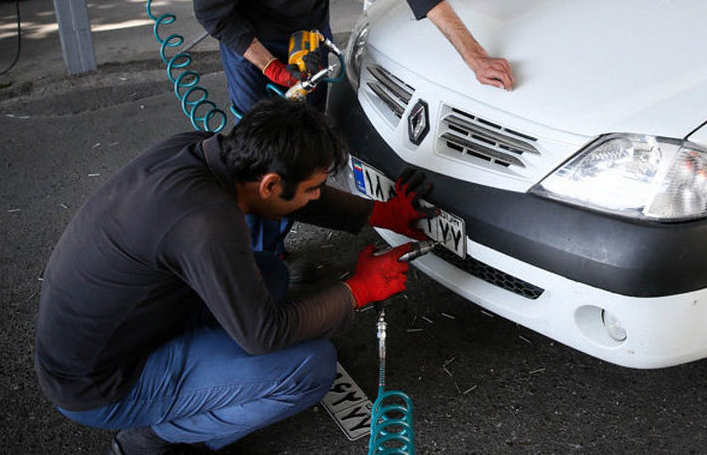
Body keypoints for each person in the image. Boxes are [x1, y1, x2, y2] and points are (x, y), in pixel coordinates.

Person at [34, 97, 437, 454]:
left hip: (110, 334)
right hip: (101, 386)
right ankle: (155, 439)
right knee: (312, 368)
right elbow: (264, 335)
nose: (317, 195)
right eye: (313, 188)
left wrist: (379, 213)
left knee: (270, 274)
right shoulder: (204, 221)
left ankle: (206, 369)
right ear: (270, 183)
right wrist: (358, 289)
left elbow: (287, 196)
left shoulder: (205, 154)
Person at [192, 0, 511, 254]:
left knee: (307, 146)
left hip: (307, 23)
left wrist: (474, 54)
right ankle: (260, 257)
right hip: (248, 35)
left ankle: (291, 225)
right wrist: (269, 67)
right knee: (262, 156)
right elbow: (214, 12)